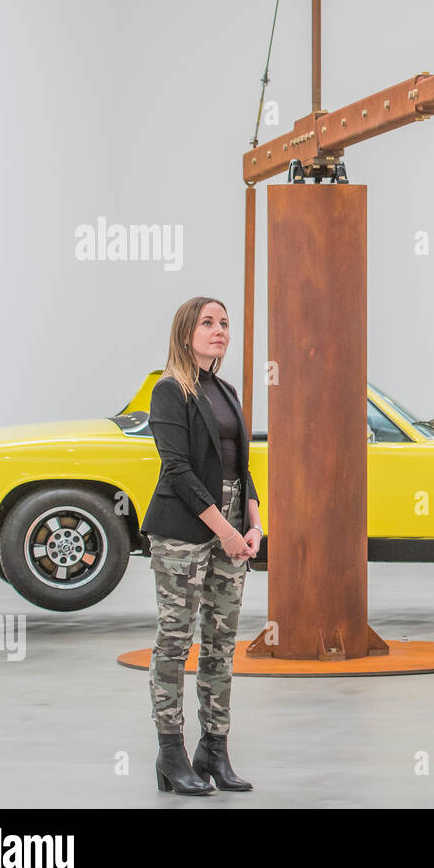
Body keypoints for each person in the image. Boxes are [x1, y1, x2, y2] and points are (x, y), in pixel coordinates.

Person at [139, 296, 262, 792]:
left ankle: (214, 748)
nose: (219, 331)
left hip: (232, 524)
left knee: (221, 643)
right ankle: (171, 753)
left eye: (225, 324)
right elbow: (178, 471)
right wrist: (226, 530)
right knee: (175, 640)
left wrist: (254, 523)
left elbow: (240, 467)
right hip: (185, 528)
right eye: (208, 323)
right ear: (186, 331)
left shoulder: (226, 390)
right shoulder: (170, 391)